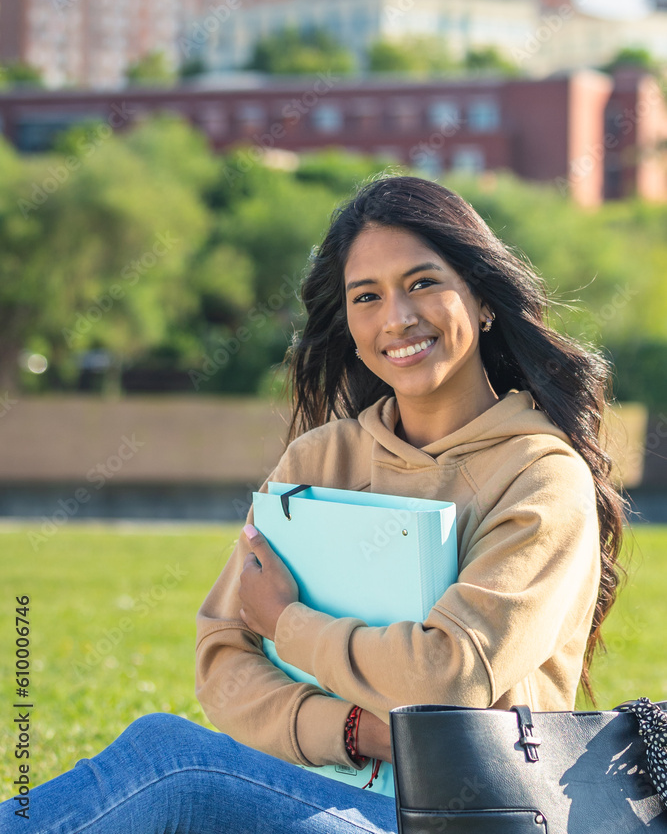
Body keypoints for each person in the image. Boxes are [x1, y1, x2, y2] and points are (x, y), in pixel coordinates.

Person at [0, 174, 627, 833]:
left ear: (482, 298)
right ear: (349, 323)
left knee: (173, 762)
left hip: (463, 818)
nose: (397, 316)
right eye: (367, 296)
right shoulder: (319, 461)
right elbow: (223, 655)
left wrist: (289, 622)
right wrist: (357, 729)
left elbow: (449, 679)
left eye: (422, 283)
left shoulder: (538, 475)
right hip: (308, 791)